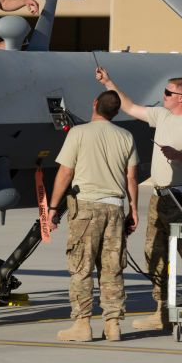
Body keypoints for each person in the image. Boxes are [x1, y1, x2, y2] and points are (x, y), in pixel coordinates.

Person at [96, 67, 182, 331]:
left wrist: (180, 156)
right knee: (154, 254)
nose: (163, 96)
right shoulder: (161, 115)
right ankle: (161, 310)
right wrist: (108, 82)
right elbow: (130, 107)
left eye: (168, 92)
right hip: (159, 197)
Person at [49, 90, 139, 342]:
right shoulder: (126, 136)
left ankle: (82, 324)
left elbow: (65, 173)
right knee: (112, 269)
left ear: (95, 104)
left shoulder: (78, 133)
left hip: (86, 209)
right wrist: (133, 210)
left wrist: (53, 208)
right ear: (116, 112)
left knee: (81, 268)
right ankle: (113, 325)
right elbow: (131, 177)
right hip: (115, 208)